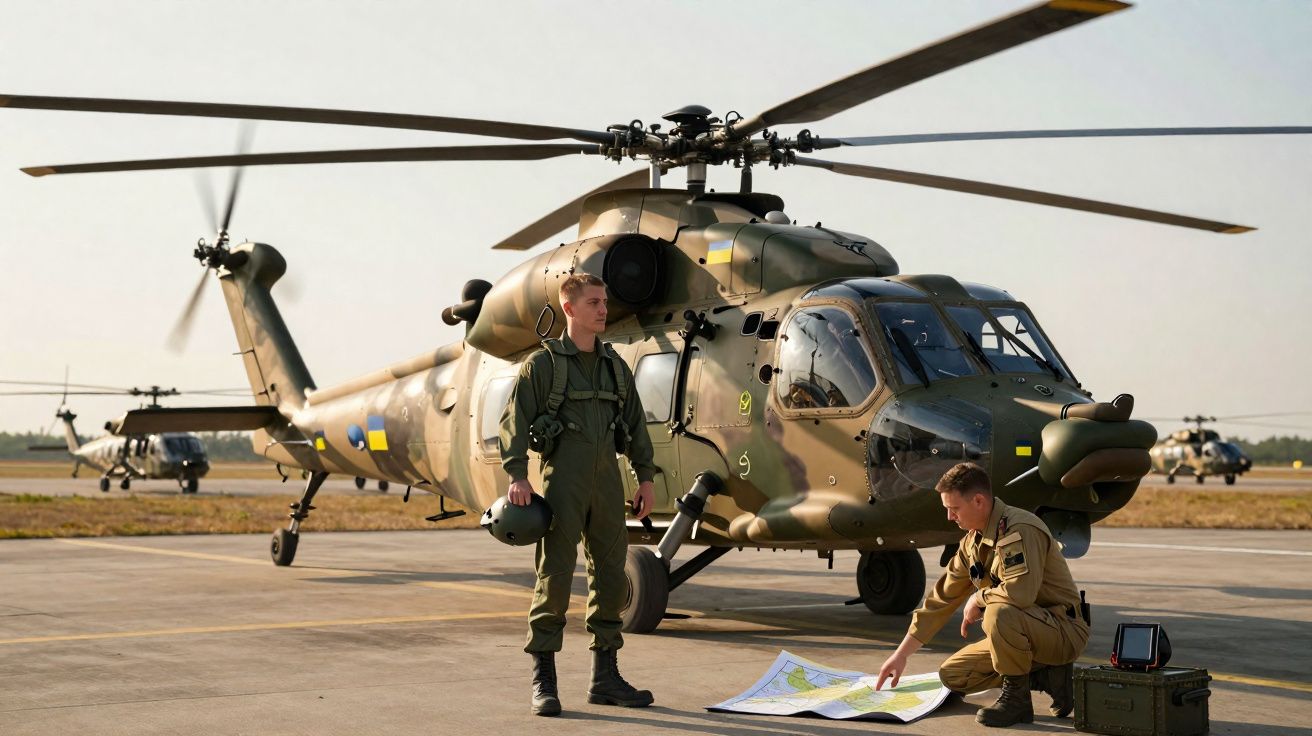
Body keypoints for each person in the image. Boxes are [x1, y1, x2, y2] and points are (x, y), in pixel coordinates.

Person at [499, 272, 657, 717]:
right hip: (560, 482)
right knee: (555, 577)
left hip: (608, 483)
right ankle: (543, 679)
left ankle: (605, 677)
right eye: (593, 302)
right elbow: (513, 422)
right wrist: (517, 475)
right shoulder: (543, 365)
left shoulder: (615, 367)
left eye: (604, 301)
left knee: (610, 578)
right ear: (569, 308)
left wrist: (645, 477)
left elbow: (637, 426)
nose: (603, 309)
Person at [876, 462, 1089, 727]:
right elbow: (940, 600)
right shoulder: (972, 542)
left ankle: (1016, 702)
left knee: (999, 613)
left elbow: (1019, 593)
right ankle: (1050, 677)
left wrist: (978, 598)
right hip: (1027, 633)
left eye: (954, 509)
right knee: (953, 675)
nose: (950, 517)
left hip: (1062, 630)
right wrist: (901, 655)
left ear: (978, 501)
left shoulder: (1018, 529)